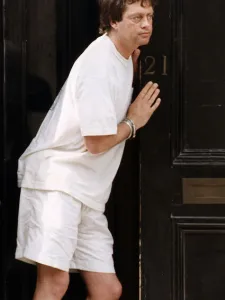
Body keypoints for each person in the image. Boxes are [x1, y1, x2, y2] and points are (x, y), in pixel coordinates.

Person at [15, 0, 160, 299]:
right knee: (54, 283)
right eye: (136, 17)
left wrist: (130, 69)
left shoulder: (120, 57)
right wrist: (135, 121)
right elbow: (96, 142)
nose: (146, 24)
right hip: (59, 184)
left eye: (149, 16)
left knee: (108, 290)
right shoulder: (99, 63)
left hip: (86, 192)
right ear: (114, 22)